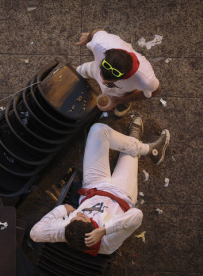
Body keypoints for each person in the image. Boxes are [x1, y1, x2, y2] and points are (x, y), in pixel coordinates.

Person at [30, 117, 170, 255]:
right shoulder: (108, 242)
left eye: (74, 216)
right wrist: (105, 230)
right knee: (130, 153)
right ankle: (144, 146)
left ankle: (140, 144)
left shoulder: (67, 231)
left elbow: (35, 234)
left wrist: (62, 210)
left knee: (98, 130)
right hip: (122, 193)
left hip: (94, 186)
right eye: (83, 217)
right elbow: (137, 216)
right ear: (93, 229)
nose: (78, 212)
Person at [75, 30, 161, 117]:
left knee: (123, 95)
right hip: (94, 68)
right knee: (83, 71)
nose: (103, 82)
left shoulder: (145, 79)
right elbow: (96, 32)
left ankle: (124, 103)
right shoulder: (99, 43)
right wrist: (89, 36)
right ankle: (84, 72)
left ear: (125, 77)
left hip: (122, 91)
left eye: (109, 82)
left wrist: (119, 100)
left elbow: (155, 91)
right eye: (102, 75)